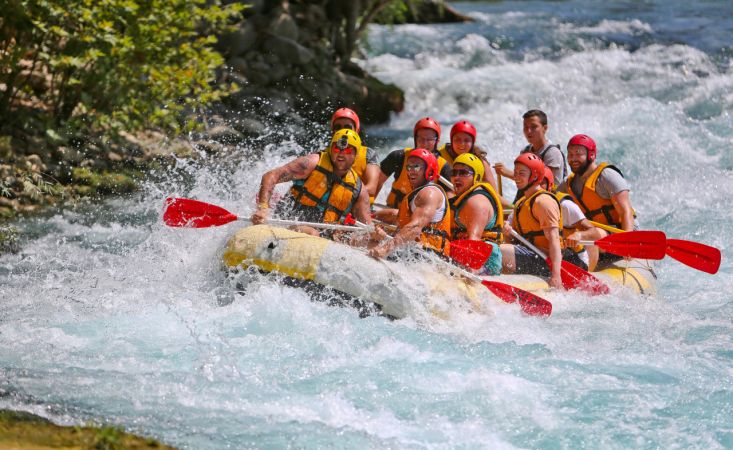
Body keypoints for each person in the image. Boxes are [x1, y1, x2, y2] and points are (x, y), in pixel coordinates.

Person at [251, 128, 372, 236]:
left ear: (356, 155)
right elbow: (270, 176)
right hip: (286, 223)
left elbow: (367, 229)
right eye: (336, 148)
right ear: (330, 149)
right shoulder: (312, 163)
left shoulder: (358, 189)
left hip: (322, 239)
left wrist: (375, 235)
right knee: (312, 233)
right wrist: (263, 208)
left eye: (348, 150)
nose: (341, 153)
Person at [557, 133, 637, 267]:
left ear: (591, 155)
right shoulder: (568, 184)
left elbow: (625, 212)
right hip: (594, 236)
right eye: (570, 155)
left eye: (578, 154)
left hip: (621, 233)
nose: (573, 158)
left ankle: (589, 275)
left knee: (588, 235)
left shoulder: (607, 176)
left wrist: (626, 242)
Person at [369, 149, 452, 259]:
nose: (411, 171)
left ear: (430, 171)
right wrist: (373, 220)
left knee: (371, 245)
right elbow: (399, 218)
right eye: (408, 167)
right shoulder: (418, 194)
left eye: (416, 167)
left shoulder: (430, 193)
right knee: (370, 240)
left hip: (429, 256)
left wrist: (385, 248)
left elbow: (415, 228)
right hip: (415, 252)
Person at [499, 153, 563, 288]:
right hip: (531, 253)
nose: (516, 177)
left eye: (521, 173)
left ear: (534, 176)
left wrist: (556, 276)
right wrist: (508, 233)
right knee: (495, 247)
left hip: (546, 260)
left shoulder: (544, 202)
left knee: (498, 251)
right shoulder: (521, 203)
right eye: (515, 173)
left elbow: (554, 239)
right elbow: (511, 240)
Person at [375, 117, 453, 211]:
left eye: (429, 140)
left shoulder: (444, 167)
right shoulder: (399, 157)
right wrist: (368, 205)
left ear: (437, 141)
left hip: (424, 216)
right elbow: (376, 182)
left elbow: (450, 199)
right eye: (421, 139)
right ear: (415, 139)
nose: (424, 143)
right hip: (393, 211)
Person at [494, 109, 568, 202]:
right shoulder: (525, 151)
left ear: (545, 128)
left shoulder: (552, 153)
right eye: (526, 127)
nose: (528, 131)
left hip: (548, 203)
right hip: (530, 201)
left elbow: (543, 182)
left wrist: (507, 173)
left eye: (533, 127)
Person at [449, 153, 504, 275]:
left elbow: (474, 240)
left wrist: (470, 271)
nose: (457, 177)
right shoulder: (461, 199)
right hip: (463, 254)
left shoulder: (477, 202)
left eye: (463, 173)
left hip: (484, 261)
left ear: (477, 177)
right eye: (454, 173)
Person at [541, 166, 600, 271]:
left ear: (550, 185)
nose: (537, 186)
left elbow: (594, 233)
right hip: (542, 254)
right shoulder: (522, 205)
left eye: (541, 182)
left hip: (574, 257)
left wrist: (579, 235)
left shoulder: (565, 205)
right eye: (533, 181)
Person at [330, 107, 380, 203]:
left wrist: (343, 193)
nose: (343, 131)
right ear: (332, 131)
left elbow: (372, 188)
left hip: (359, 207)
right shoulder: (323, 154)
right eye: (338, 127)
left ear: (356, 130)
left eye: (347, 127)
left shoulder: (369, 154)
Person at [439, 120, 501, 194]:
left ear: (472, 143)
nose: (462, 144)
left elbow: (493, 192)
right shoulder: (440, 155)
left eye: (467, 140)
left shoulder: (480, 161)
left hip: (472, 197)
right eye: (457, 139)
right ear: (451, 141)